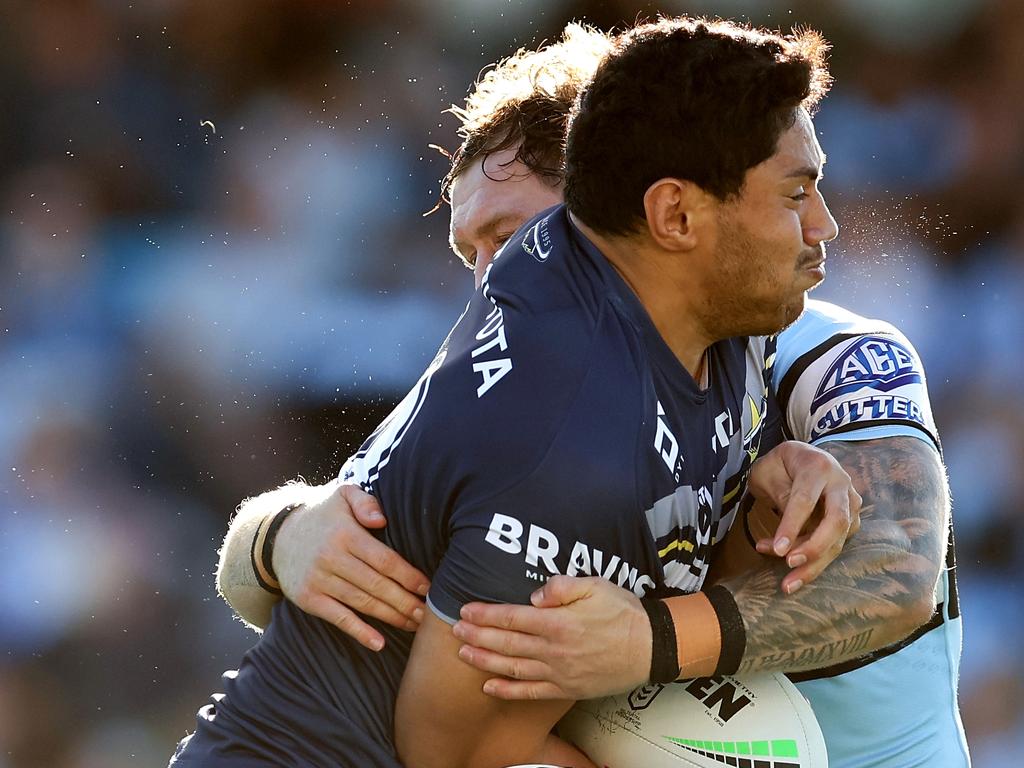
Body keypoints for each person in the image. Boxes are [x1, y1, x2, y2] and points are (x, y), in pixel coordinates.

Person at [215, 21, 969, 768]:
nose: (490, 280)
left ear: (641, 207)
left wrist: (701, 580)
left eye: (513, 239)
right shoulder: (547, 383)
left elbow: (892, 568)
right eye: (471, 252)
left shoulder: (810, 346)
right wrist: (276, 535)